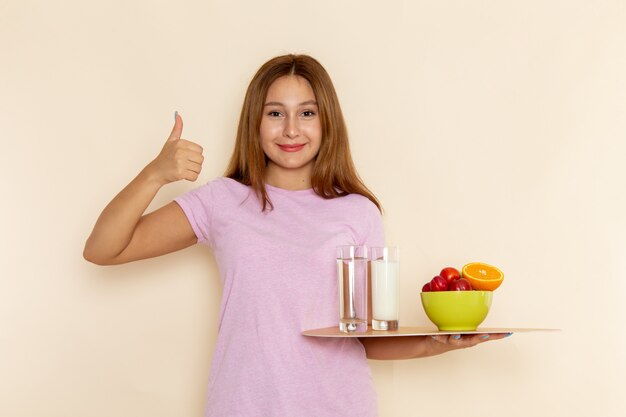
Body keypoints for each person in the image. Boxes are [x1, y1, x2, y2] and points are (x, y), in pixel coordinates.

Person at [84, 54, 508, 417]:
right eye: (275, 113)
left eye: (307, 113)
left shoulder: (358, 212)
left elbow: (364, 336)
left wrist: (437, 344)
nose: (291, 130)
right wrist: (155, 174)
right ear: (255, 121)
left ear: (327, 122)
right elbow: (102, 249)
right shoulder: (222, 202)